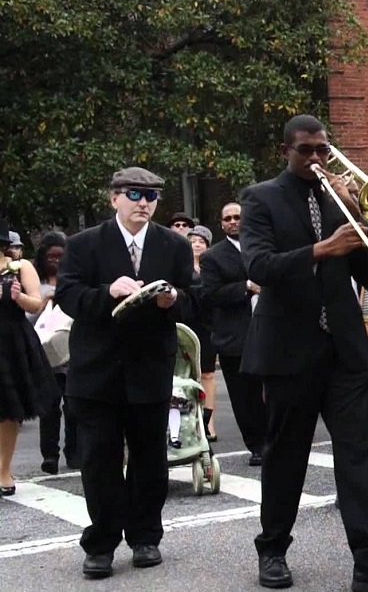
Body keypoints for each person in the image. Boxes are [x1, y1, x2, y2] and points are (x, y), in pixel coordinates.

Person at [239, 115, 368, 591]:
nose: (318, 159)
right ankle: (273, 550)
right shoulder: (261, 198)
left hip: (344, 347)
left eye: (323, 149)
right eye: (306, 150)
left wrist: (362, 219)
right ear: (286, 151)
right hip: (289, 348)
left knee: (359, 455)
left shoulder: (340, 200)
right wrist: (322, 249)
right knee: (286, 455)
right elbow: (260, 265)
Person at [54, 168, 194, 578]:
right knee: (100, 460)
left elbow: (195, 297)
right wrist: (106, 292)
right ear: (113, 197)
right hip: (97, 372)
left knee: (151, 458)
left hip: (149, 368)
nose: (144, 203)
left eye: (151, 196)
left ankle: (146, 536)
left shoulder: (173, 245)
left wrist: (174, 301)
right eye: (135, 194)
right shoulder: (83, 245)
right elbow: (66, 295)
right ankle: (100, 543)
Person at [199, 202, 266, 465]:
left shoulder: (263, 246)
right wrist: (247, 286)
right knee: (244, 396)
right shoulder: (212, 257)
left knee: (276, 391)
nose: (233, 221)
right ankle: (257, 445)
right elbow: (209, 294)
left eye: (238, 217)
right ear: (221, 224)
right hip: (235, 337)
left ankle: (279, 440)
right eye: (228, 218)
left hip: (271, 330)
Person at [1, 221, 56, 496]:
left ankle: (4, 471)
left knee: (9, 410)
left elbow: (37, 303)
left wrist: (18, 296)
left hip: (10, 340)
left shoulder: (20, 268)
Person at [31, 231, 79, 474]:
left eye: (60, 256)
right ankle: (49, 455)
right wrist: (42, 304)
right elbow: (26, 318)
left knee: (74, 406)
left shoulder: (74, 282)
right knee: (49, 408)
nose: (56, 261)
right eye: (50, 256)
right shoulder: (34, 285)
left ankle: (74, 452)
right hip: (45, 358)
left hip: (73, 357)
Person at [186, 225, 219, 440]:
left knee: (207, 373)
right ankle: (186, 424)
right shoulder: (180, 266)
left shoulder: (211, 266)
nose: (197, 245)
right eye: (193, 241)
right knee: (185, 375)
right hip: (185, 324)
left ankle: (209, 423)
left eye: (202, 241)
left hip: (207, 326)